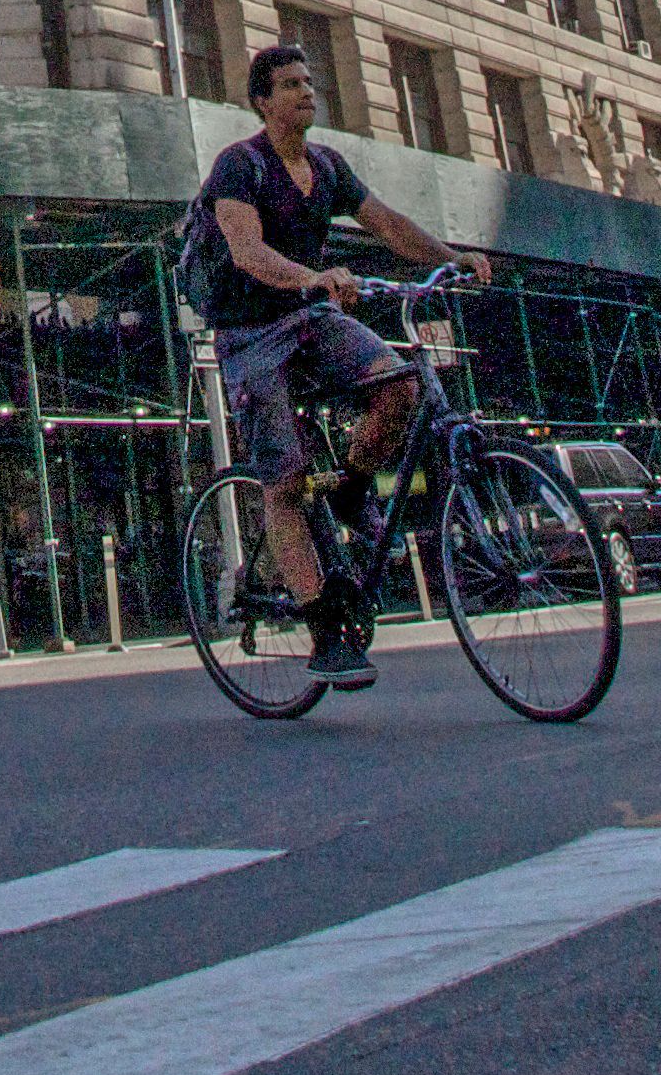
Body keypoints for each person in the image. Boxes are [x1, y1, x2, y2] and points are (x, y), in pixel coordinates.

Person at [196, 39, 466, 686]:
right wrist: (312, 277)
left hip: (312, 317)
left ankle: (349, 489)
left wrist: (450, 258)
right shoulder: (240, 166)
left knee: (398, 387)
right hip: (251, 333)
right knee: (285, 483)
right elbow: (246, 251)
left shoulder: (327, 166)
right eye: (290, 85)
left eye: (308, 82)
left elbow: (387, 224)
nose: (306, 93)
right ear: (262, 102)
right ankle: (324, 631)